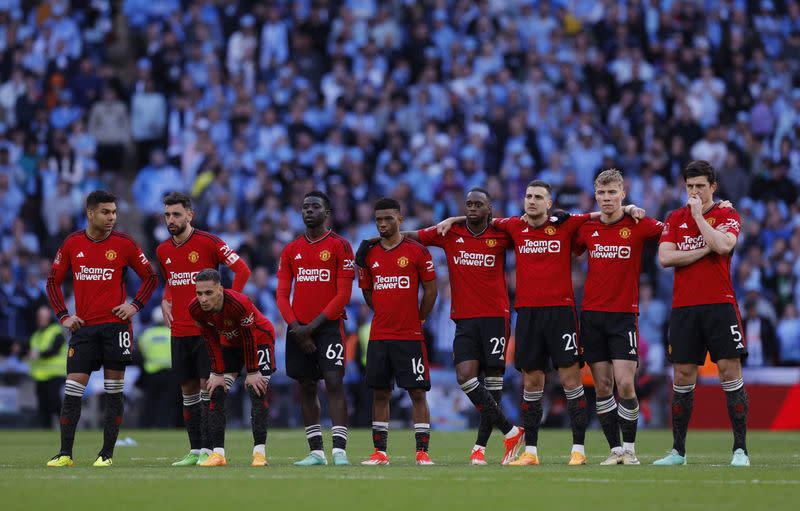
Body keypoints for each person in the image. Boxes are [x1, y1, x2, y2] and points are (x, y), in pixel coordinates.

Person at [438, 180, 644, 465]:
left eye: (538, 197)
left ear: (549, 203)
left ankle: (579, 450)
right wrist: (453, 219)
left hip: (561, 314)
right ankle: (531, 451)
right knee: (531, 383)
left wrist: (629, 207)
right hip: (528, 315)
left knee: (571, 381)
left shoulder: (567, 223)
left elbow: (600, 215)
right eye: (528, 196)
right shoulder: (513, 226)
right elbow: (480, 216)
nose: (532, 201)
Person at [393, 188, 524, 465]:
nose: (473, 207)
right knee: (465, 377)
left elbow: (527, 229)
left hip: (495, 318)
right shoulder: (451, 234)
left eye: (479, 204)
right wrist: (383, 239)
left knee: (493, 386)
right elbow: (415, 237)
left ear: (490, 209)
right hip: (464, 318)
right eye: (469, 204)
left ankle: (480, 448)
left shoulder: (500, 234)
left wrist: (454, 217)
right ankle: (511, 431)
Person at [45, 190, 158, 467]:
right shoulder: (72, 243)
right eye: (106, 212)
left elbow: (151, 277)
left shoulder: (124, 244)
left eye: (114, 212)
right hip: (83, 329)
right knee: (73, 390)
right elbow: (52, 282)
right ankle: (65, 454)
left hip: (115, 328)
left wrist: (134, 306)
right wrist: (63, 316)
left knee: (114, 392)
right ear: (90, 213)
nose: (112, 217)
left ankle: (106, 455)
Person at [655, 160, 750, 467]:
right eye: (690, 186)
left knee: (729, 371)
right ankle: (678, 451)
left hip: (720, 304)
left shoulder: (726, 213)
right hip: (684, 308)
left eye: (700, 186)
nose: (694, 191)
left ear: (713, 187)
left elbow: (723, 245)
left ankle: (740, 450)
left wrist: (699, 217)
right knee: (682, 376)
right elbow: (665, 257)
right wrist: (702, 249)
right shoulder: (674, 217)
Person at [573, 169, 664, 465]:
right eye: (602, 193)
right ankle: (615, 450)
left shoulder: (638, 224)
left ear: (623, 193)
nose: (607, 198)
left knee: (625, 384)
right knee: (601, 386)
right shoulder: (587, 227)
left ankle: (631, 449)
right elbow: (565, 235)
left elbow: (673, 229)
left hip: (623, 316)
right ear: (595, 196)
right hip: (591, 316)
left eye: (613, 193)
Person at [156, 192, 251, 466]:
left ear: (190, 215)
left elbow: (242, 270)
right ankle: (196, 450)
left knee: (207, 388)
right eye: (167, 215)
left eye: (176, 214)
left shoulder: (210, 243)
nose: (171, 220)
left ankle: (211, 450)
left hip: (206, 332)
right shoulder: (163, 250)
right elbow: (173, 280)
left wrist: (228, 306)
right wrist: (166, 298)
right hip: (179, 332)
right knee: (187, 391)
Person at [357, 198, 438, 466]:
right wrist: (382, 311)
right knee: (380, 393)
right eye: (378, 219)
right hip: (380, 335)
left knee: (417, 392)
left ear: (400, 219)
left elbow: (431, 290)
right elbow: (367, 292)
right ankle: (380, 452)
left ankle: (422, 452)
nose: (382, 223)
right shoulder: (369, 254)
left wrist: (420, 318)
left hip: (410, 335)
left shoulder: (417, 251)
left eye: (388, 218)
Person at [276, 191, 355, 466]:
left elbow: (343, 295)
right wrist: (297, 327)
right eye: (305, 207)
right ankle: (316, 452)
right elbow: (282, 295)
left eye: (315, 207)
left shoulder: (340, 245)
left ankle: (340, 450)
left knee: (333, 382)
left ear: (327, 213)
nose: (308, 211)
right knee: (306, 386)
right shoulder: (290, 250)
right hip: (298, 329)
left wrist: (312, 327)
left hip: (328, 327)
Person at [188, 269, 276, 467]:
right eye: (199, 293)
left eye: (208, 293)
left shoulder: (239, 303)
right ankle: (218, 454)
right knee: (216, 391)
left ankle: (259, 454)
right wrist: (217, 373)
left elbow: (249, 336)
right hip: (229, 344)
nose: (203, 298)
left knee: (257, 390)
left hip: (259, 339)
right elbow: (210, 339)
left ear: (220, 289)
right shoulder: (195, 309)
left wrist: (252, 372)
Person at [28, 305, 68, 429]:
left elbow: (54, 350)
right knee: (43, 407)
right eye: (39, 317)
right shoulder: (36, 335)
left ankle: (67, 427)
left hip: (55, 374)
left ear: (49, 317)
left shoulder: (56, 331)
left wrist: (39, 354)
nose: (41, 319)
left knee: (55, 403)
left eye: (43, 317)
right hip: (40, 376)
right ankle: (46, 430)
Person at [137, 309, 177, 428]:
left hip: (151, 372)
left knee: (150, 402)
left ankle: (146, 425)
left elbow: (141, 353)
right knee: (167, 402)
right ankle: (164, 425)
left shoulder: (146, 334)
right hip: (169, 373)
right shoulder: (171, 333)